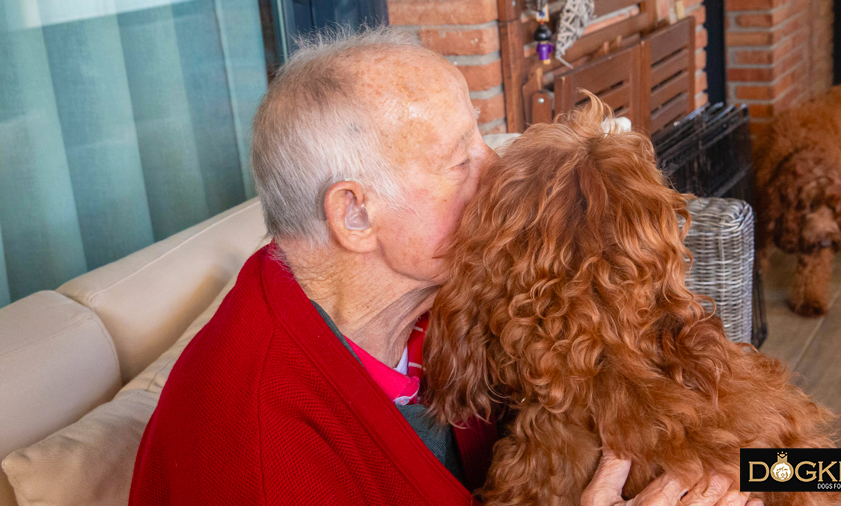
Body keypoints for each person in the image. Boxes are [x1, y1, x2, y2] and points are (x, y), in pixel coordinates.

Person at [129, 27, 760, 506]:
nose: (497, 173)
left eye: (482, 141)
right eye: (462, 162)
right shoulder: (255, 452)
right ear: (354, 215)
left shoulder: (444, 303)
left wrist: (819, 470)